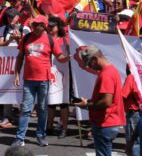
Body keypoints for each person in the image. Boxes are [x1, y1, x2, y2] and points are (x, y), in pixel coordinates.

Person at [13, 15, 69, 147]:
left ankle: (41, 136)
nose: (34, 27)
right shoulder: (26, 38)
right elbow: (20, 57)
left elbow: (59, 56)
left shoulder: (49, 39)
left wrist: (66, 58)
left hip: (44, 80)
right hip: (29, 80)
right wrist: (16, 74)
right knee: (26, 109)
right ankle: (19, 138)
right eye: (34, 24)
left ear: (43, 26)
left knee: (42, 109)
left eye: (38, 24)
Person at [74, 45, 125, 156]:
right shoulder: (111, 70)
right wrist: (88, 102)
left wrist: (87, 105)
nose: (90, 67)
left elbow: (106, 101)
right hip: (109, 121)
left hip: (105, 122)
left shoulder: (106, 75)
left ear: (95, 59)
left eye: (89, 64)